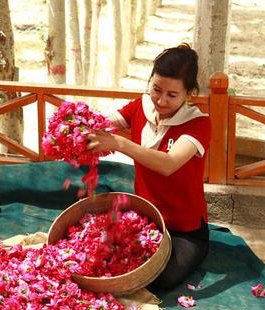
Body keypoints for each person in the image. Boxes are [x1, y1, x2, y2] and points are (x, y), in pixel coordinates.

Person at [86, 44, 211, 289]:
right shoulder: (140, 107)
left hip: (184, 229)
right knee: (101, 261)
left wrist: (120, 143)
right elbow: (103, 124)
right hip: (145, 218)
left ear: (189, 93)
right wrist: (75, 127)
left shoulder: (198, 124)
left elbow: (169, 164)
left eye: (172, 95)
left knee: (158, 280)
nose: (161, 100)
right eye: (156, 89)